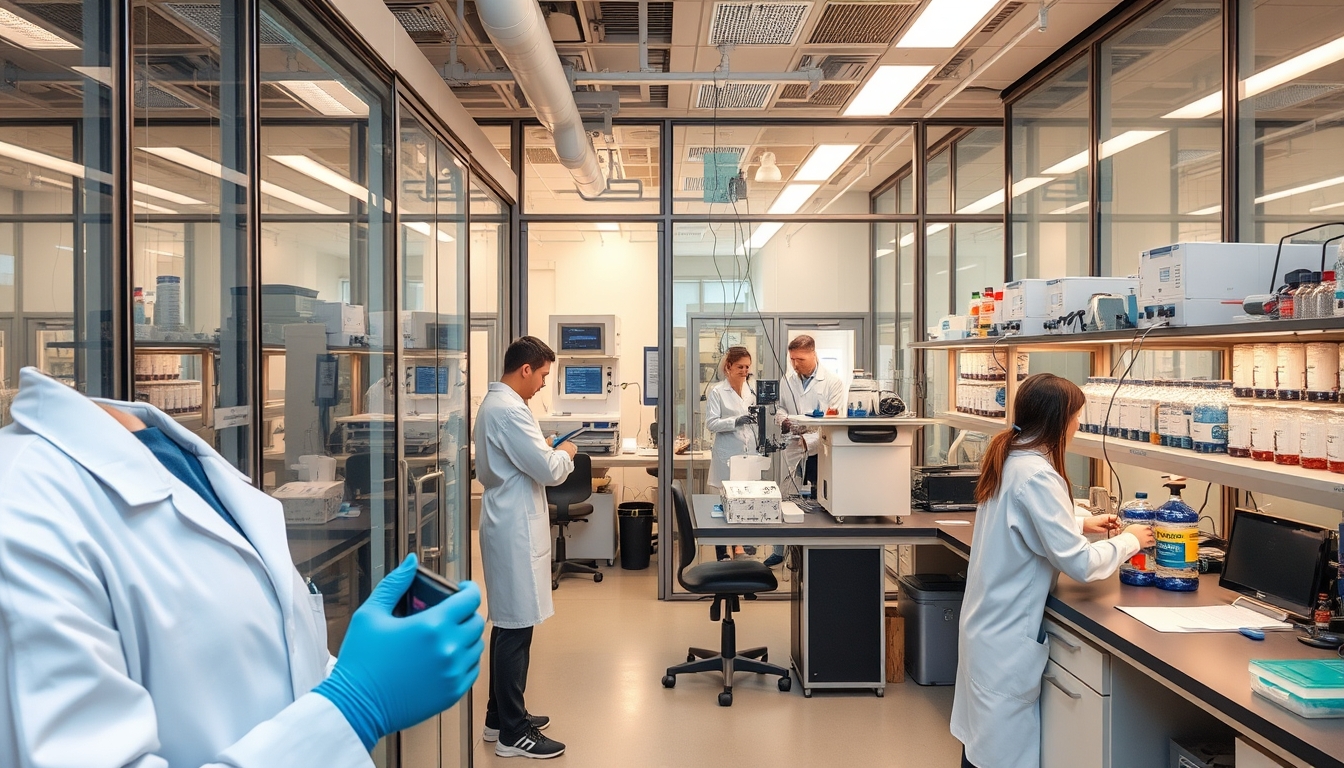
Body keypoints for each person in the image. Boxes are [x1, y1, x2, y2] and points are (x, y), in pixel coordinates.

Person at [0, 366, 484, 767]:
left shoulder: (172, 454)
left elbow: (271, 659)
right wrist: (357, 705)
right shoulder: (23, 508)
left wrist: (358, 669)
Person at [950, 373, 1157, 768]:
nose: (1078, 426)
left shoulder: (1012, 458)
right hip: (1006, 638)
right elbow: (1080, 563)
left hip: (986, 628)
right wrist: (1131, 540)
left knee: (982, 748)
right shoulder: (1039, 475)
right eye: (1077, 418)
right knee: (998, 755)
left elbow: (1019, 523)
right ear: (1059, 421)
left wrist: (1079, 523)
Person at [475, 336, 578, 759]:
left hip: (510, 519)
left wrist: (543, 449)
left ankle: (499, 717)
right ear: (525, 370)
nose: (542, 385)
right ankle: (513, 734)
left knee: (509, 623)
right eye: (542, 376)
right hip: (513, 526)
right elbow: (550, 471)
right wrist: (566, 451)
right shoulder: (507, 411)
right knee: (515, 628)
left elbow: (527, 459)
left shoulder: (500, 406)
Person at [769, 335, 848, 567]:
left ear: (813, 354)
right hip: (792, 446)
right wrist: (783, 420)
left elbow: (835, 419)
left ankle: (813, 555)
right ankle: (780, 551)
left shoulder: (833, 382)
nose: (795, 364)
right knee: (787, 496)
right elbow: (780, 407)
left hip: (818, 448)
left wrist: (809, 440)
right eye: (792, 359)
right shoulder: (788, 379)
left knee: (816, 499)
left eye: (800, 359)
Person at [704, 346, 758, 561]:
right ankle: (721, 552)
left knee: (745, 501)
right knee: (724, 503)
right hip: (727, 454)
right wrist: (735, 421)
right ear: (728, 367)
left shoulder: (751, 390)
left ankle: (740, 547)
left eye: (747, 367)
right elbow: (711, 423)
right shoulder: (718, 391)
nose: (744, 371)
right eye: (740, 367)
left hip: (749, 452)